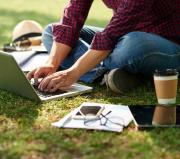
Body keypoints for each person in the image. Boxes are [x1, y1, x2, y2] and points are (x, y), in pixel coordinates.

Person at [27, 0, 180, 94]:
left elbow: (110, 36)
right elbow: (71, 20)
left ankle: (106, 71)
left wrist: (74, 72)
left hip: (167, 42)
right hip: (122, 36)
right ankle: (109, 75)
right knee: (51, 32)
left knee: (132, 46)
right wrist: (52, 63)